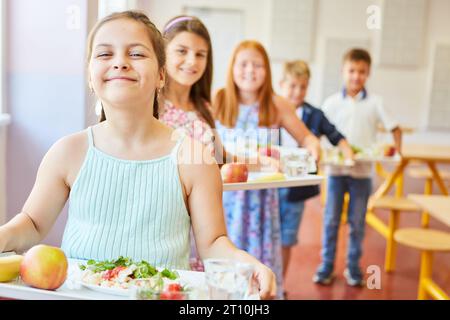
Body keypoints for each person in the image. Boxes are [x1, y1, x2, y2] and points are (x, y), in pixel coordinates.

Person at [0, 11, 276, 299]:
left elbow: (214, 242)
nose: (120, 62)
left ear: (160, 75)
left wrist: (245, 264)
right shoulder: (67, 152)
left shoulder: (194, 158)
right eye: (105, 54)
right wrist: (4, 234)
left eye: (136, 53)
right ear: (91, 77)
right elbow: (32, 222)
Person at [212, 40, 321, 299]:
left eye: (257, 65)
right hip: (224, 200)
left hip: (263, 202)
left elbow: (307, 138)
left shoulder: (277, 104)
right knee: (226, 266)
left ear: (267, 70)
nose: (250, 70)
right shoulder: (217, 99)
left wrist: (314, 149)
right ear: (232, 67)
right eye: (243, 64)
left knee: (262, 268)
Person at [314, 48, 402, 287]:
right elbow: (319, 133)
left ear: (368, 73)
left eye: (361, 72)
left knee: (357, 223)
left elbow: (395, 128)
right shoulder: (331, 103)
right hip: (335, 172)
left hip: (362, 174)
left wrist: (397, 152)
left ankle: (353, 268)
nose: (356, 76)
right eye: (352, 71)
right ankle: (326, 267)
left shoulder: (376, 103)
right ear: (343, 71)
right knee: (331, 220)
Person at [277, 60, 353, 281]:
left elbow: (335, 135)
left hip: (296, 190)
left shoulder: (315, 114)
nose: (297, 92)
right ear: (282, 84)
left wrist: (348, 153)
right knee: (265, 236)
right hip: (268, 187)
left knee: (287, 238)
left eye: (302, 87)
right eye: (292, 86)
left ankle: (280, 285)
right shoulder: (270, 110)